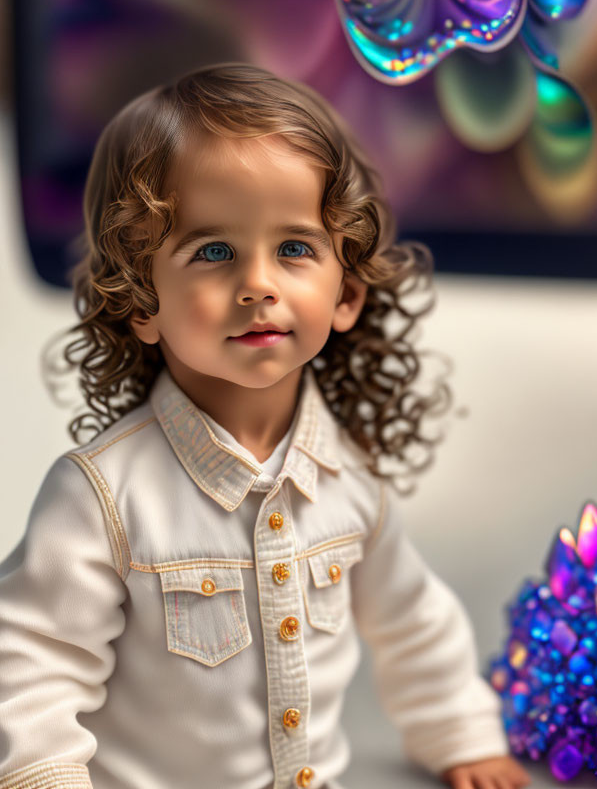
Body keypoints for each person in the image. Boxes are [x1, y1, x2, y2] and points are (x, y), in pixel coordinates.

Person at [0, 63, 530, 789]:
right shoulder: (102, 497)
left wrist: (462, 737)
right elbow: (31, 658)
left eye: (295, 249)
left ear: (345, 292)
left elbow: (413, 622)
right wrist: (44, 775)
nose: (259, 283)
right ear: (142, 299)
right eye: (213, 251)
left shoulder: (349, 480)